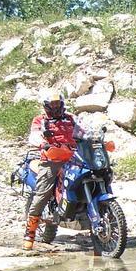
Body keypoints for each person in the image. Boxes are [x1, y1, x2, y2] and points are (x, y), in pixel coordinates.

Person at [23, 91, 89, 250]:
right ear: (46, 106)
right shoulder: (41, 120)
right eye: (52, 105)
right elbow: (34, 135)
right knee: (42, 194)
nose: (56, 107)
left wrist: (94, 138)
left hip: (73, 157)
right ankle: (30, 233)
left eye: (58, 104)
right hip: (52, 159)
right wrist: (42, 143)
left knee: (91, 173)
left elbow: (84, 131)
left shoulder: (71, 118)